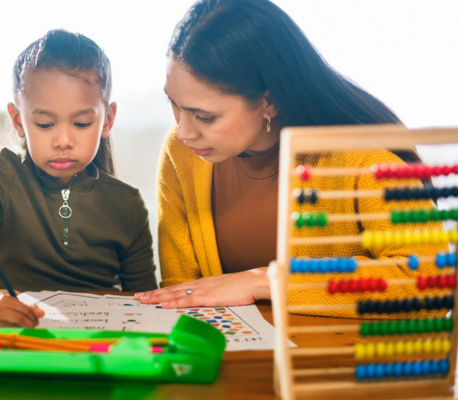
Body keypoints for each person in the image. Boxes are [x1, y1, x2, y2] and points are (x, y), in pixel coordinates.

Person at [135, 0, 447, 317]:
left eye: (205, 116)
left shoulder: (367, 163)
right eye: (174, 104)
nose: (184, 130)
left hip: (340, 360)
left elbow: (429, 284)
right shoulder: (180, 153)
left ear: (269, 102)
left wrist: (266, 281)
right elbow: (183, 292)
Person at [0, 29, 158, 327]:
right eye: (44, 124)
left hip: (99, 350)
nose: (63, 140)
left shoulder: (127, 204)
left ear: (108, 120)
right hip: (21, 343)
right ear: (18, 121)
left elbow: (144, 301)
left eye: (81, 123)